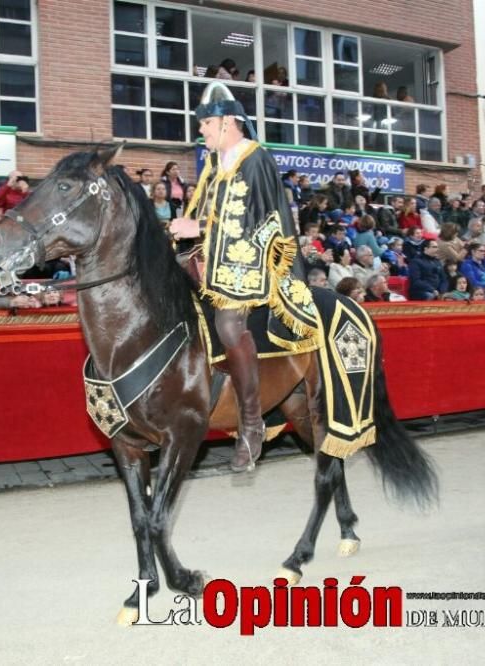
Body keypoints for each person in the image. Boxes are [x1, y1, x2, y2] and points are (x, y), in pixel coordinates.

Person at [169, 82, 317, 473]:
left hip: (255, 264)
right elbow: (205, 215)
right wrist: (185, 229)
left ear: (229, 122)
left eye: (206, 124)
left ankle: (252, 423)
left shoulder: (257, 159)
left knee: (229, 323)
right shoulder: (214, 169)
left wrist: (198, 228)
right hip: (215, 264)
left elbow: (264, 220)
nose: (201, 131)